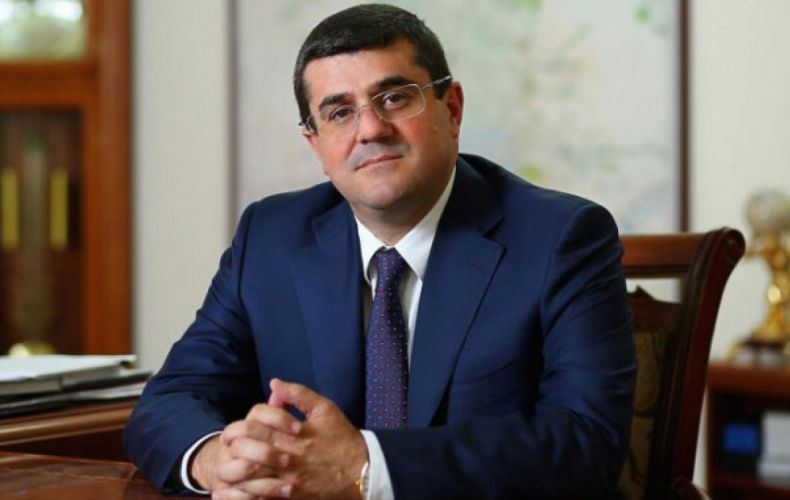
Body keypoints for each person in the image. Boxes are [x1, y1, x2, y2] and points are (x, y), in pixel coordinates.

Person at [124, 4, 636, 499]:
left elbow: (587, 443)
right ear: (316, 144)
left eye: (394, 98)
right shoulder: (271, 238)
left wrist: (364, 468)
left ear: (452, 109)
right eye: (340, 112)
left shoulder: (562, 238)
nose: (370, 129)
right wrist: (221, 460)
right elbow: (170, 400)